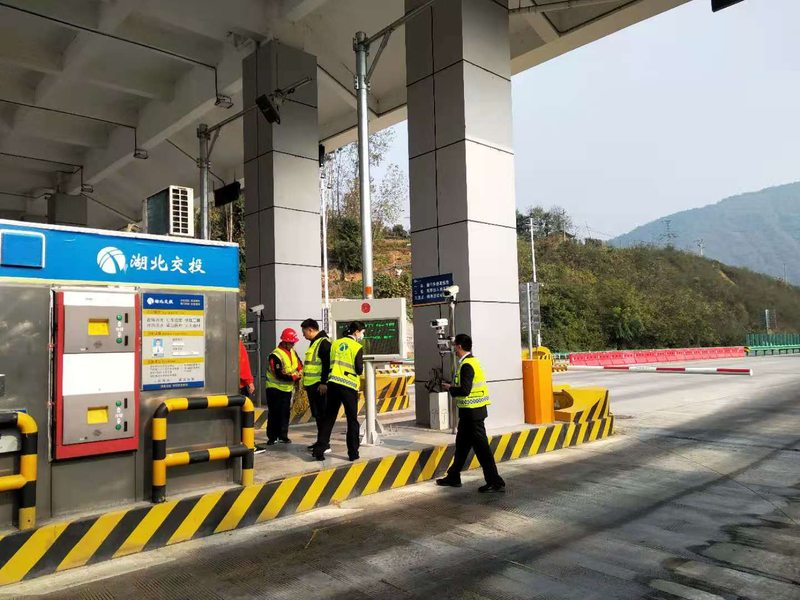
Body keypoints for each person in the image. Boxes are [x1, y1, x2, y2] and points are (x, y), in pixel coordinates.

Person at [436, 333, 506, 493]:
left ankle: (495, 482)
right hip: (469, 414)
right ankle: (453, 477)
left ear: (459, 346)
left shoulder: (467, 365)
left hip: (473, 415)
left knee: (482, 450)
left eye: (454, 346)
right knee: (461, 447)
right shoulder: (471, 362)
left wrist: (450, 388)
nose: (453, 349)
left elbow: (465, 390)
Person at [313, 321, 365, 462]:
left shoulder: (335, 344)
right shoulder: (357, 347)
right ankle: (353, 453)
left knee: (329, 418)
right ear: (356, 332)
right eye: (362, 332)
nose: (362, 335)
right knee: (352, 420)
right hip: (348, 387)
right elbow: (359, 369)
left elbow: (328, 364)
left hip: (333, 384)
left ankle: (319, 450)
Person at [263, 328, 302, 446]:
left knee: (285, 413)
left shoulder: (293, 352)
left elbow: (299, 364)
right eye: (291, 342)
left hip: (287, 389)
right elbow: (279, 374)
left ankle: (283, 435)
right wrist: (295, 377)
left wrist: (300, 371)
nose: (293, 344)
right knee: (274, 413)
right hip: (274, 389)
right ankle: (272, 437)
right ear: (284, 342)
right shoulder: (275, 355)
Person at [300, 318, 332, 455]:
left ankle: (325, 443)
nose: (303, 335)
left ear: (310, 330)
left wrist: (324, 383)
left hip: (319, 386)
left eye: (304, 332)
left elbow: (326, 364)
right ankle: (321, 441)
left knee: (322, 415)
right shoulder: (315, 343)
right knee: (318, 415)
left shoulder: (323, 343)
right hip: (312, 385)